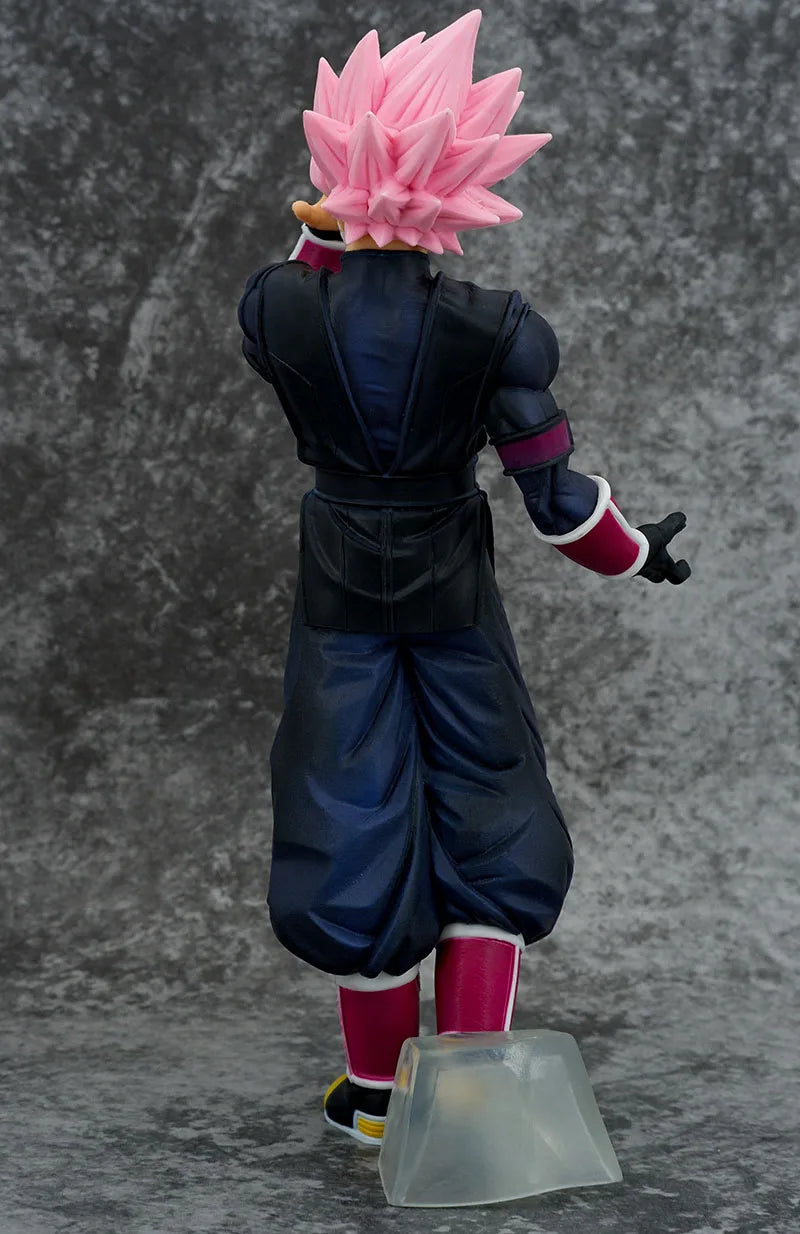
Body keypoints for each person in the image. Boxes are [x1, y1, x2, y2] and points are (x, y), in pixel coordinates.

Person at [237, 9, 690, 1146]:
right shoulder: (496, 328)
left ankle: (376, 1096)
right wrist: (637, 551)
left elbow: (300, 273)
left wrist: (333, 218)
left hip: (341, 585)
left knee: (349, 809)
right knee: (489, 802)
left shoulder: (277, 306)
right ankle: (474, 1082)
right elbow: (558, 502)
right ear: (463, 182)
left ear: (332, 164)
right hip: (448, 582)